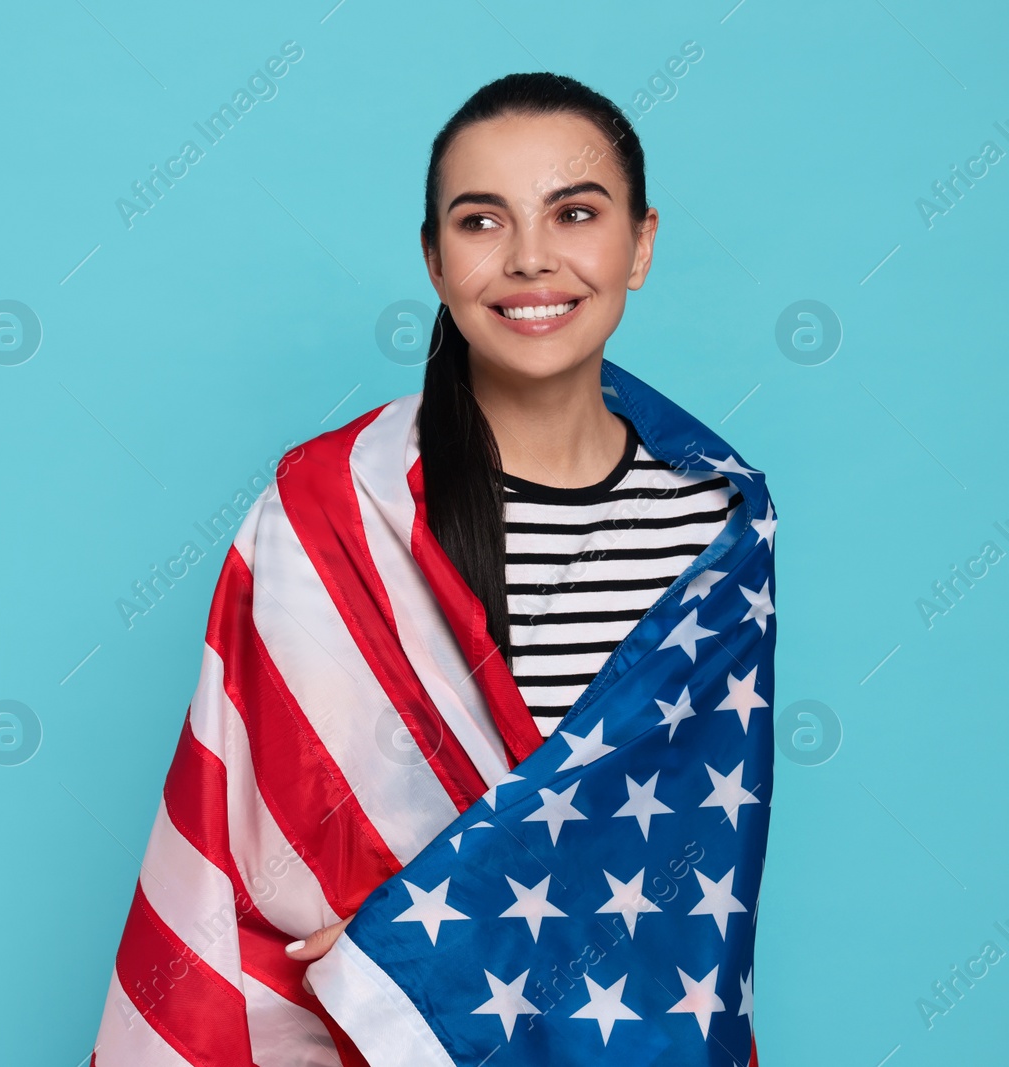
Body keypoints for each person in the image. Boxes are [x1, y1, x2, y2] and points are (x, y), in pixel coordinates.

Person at [89, 72, 772, 1067]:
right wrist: (401, 973)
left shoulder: (717, 522)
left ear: (641, 244)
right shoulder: (329, 509)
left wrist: (442, 949)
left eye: (575, 213)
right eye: (480, 221)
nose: (531, 258)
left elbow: (689, 861)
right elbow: (259, 849)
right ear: (433, 257)